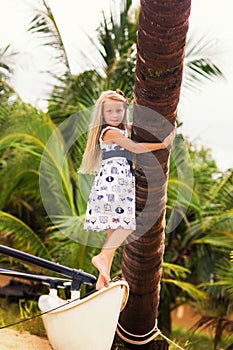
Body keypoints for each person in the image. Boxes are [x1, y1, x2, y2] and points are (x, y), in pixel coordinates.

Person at [79, 90, 174, 290]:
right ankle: (102, 258)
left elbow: (135, 128)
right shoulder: (108, 132)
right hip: (113, 183)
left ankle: (101, 280)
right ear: (102, 114)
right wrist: (162, 144)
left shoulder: (121, 129)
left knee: (113, 232)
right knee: (127, 227)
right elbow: (135, 147)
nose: (114, 115)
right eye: (110, 111)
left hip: (121, 182)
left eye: (119, 111)